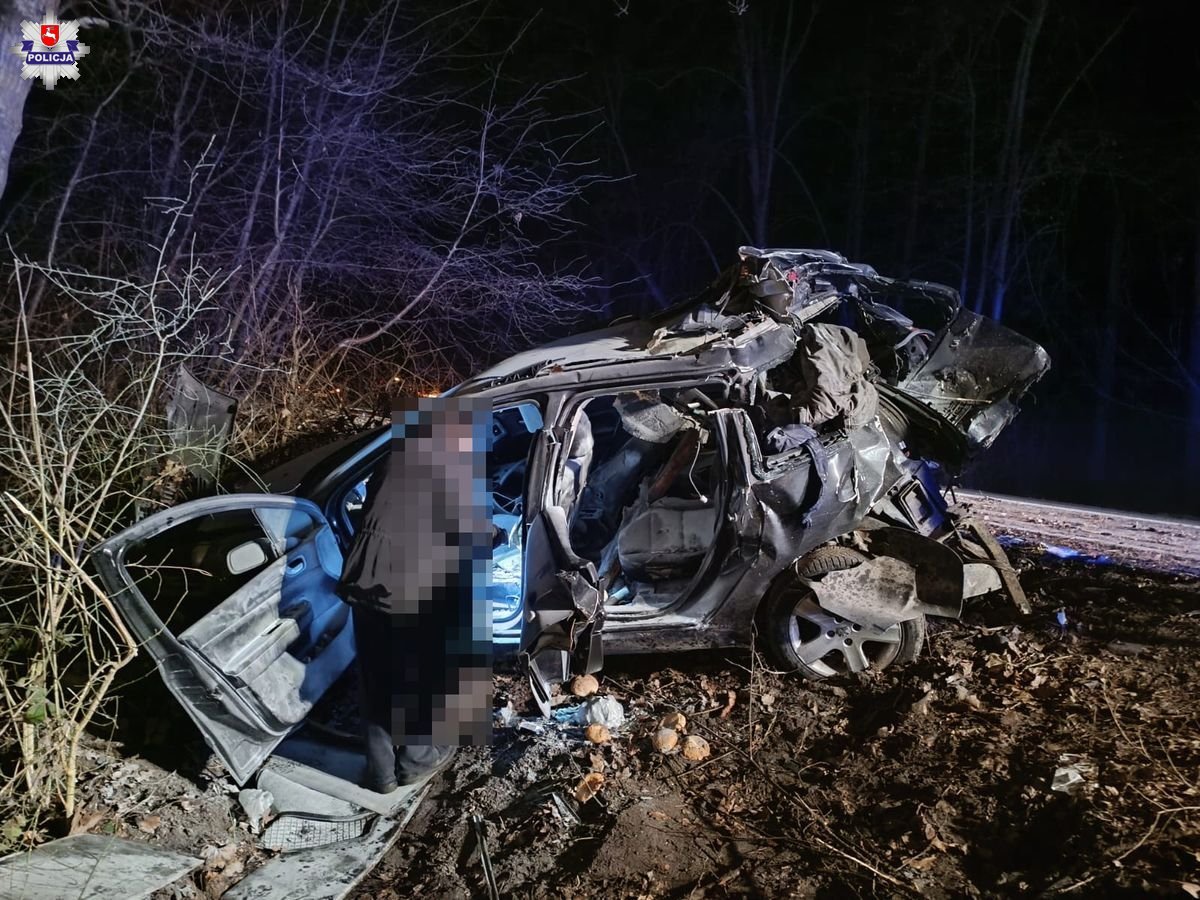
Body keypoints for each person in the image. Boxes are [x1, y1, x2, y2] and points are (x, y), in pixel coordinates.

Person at [338, 397, 494, 792]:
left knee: (376, 679)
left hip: (368, 577)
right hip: (411, 585)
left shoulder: (394, 456)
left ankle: (381, 774)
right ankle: (416, 761)